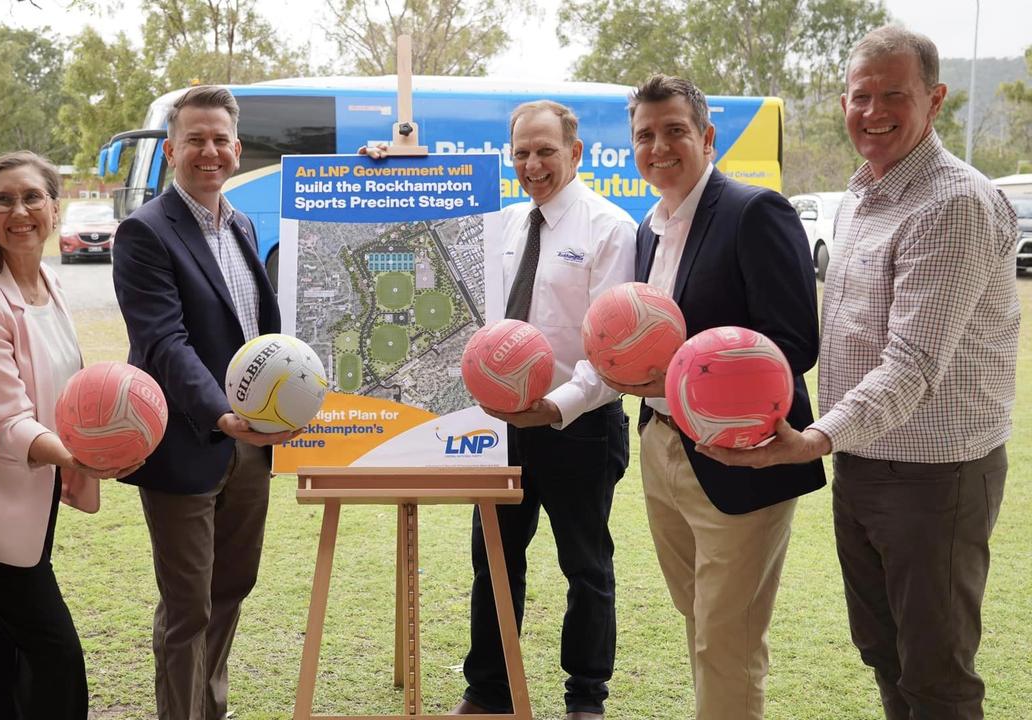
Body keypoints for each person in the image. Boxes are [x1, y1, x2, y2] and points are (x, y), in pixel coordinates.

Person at [701, 27, 1020, 720]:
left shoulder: (952, 203)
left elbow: (910, 364)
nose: (873, 112)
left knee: (935, 673)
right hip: (866, 462)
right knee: (884, 650)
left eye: (893, 95)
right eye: (860, 96)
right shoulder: (865, 194)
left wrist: (813, 438)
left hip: (936, 474)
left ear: (934, 100)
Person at [373, 99, 636, 719]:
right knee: (492, 562)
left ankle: (584, 699)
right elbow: (426, 234)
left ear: (574, 153)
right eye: (521, 152)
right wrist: (384, 170)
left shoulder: (609, 229)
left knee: (586, 566)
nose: (533, 163)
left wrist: (557, 406)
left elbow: (616, 353)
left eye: (546, 150)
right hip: (499, 432)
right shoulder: (506, 224)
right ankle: (488, 692)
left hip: (579, 425)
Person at [601, 74, 826, 720]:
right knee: (699, 619)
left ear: (707, 137)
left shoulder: (755, 211)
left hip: (739, 459)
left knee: (725, 638)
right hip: (661, 448)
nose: (659, 146)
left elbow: (793, 341)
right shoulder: (648, 230)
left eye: (674, 130)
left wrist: (694, 376)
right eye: (645, 135)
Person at [0, 150, 132, 720]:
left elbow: (66, 391)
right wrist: (83, 457)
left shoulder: (47, 283)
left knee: (0, 649)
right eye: (4, 200)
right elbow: (5, 419)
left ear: (54, 206)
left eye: (32, 197)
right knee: (55, 652)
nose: (20, 211)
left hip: (32, 504)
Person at [112, 85, 294, 720]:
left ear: (237, 150)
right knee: (188, 604)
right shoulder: (143, 232)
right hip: (188, 443)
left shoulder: (242, 224)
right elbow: (163, 341)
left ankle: (207, 708)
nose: (209, 151)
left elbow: (260, 335)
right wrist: (222, 413)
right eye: (195, 139)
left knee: (231, 589)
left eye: (220, 139)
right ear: (171, 150)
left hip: (250, 449)